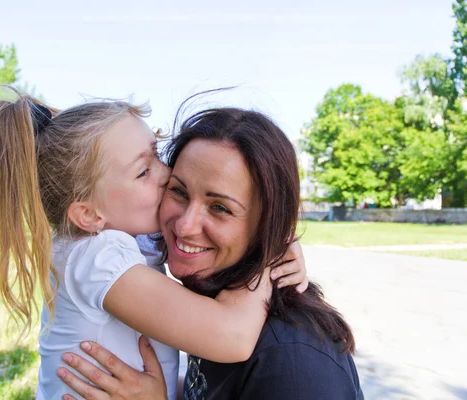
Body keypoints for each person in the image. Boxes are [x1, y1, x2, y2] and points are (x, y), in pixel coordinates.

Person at [0, 87, 308, 400]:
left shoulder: (121, 234)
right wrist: (270, 256)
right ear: (89, 215)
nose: (167, 174)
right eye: (144, 171)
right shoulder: (95, 257)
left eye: (157, 155)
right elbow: (232, 337)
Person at [57, 107, 363, 399]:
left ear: (267, 222)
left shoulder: (293, 361)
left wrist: (273, 248)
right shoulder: (209, 303)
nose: (185, 226)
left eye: (220, 208)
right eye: (178, 191)